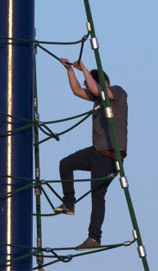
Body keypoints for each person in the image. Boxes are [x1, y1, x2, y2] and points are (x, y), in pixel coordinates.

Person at [54, 58, 128, 251]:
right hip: (96, 153)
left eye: (90, 83)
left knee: (97, 195)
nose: (89, 88)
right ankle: (69, 202)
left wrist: (84, 68)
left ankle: (94, 237)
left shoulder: (118, 93)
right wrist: (70, 70)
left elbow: (96, 90)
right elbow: (77, 91)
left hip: (110, 156)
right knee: (66, 164)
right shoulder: (98, 99)